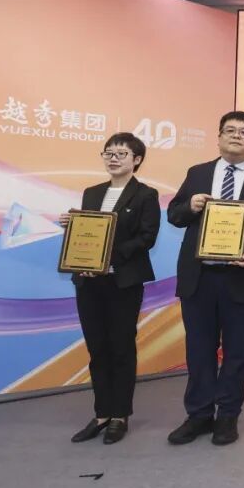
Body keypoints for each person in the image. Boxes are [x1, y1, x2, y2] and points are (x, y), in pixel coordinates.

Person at [165, 111, 244, 446]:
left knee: (236, 353)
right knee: (199, 350)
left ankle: (228, 416)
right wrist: (190, 206)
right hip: (199, 277)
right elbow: (174, 215)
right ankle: (199, 415)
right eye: (230, 130)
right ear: (219, 137)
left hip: (242, 277)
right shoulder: (198, 173)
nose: (236, 136)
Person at [64, 132, 160, 445]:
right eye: (109, 153)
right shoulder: (91, 192)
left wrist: (108, 254)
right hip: (89, 282)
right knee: (97, 349)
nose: (113, 158)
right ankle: (101, 413)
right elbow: (87, 233)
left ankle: (120, 415)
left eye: (121, 153)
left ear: (137, 160)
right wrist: (73, 228)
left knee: (121, 348)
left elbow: (146, 238)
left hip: (123, 282)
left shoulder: (146, 195)